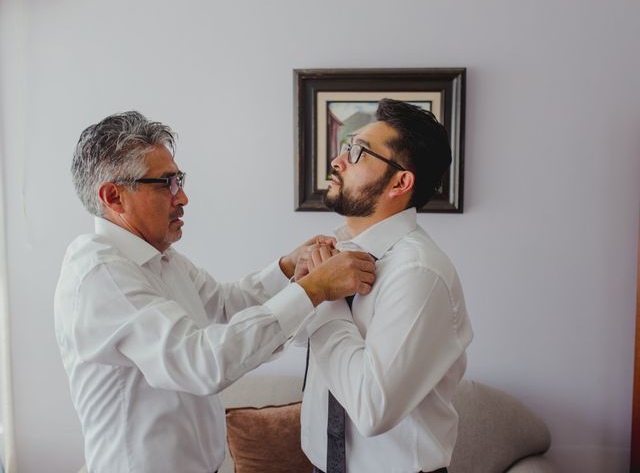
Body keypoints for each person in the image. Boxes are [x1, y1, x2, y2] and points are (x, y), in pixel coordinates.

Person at [53, 111, 376, 473]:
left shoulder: (160, 256)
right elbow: (201, 362)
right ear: (114, 196)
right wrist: (312, 290)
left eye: (180, 180)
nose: (184, 197)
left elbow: (225, 304)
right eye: (167, 183)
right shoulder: (102, 276)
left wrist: (288, 267)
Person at [298, 99, 474, 473]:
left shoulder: (419, 273)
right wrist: (304, 289)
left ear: (400, 182)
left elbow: (371, 409)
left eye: (358, 152)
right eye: (345, 147)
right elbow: (296, 340)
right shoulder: (337, 254)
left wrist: (324, 300)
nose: (337, 160)